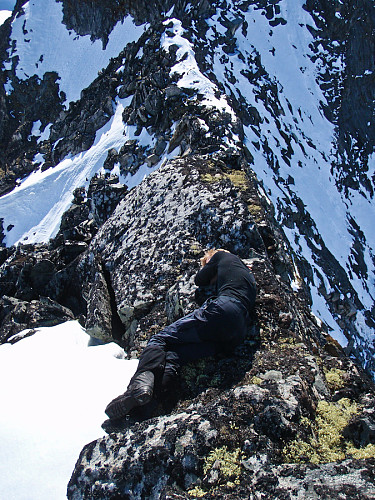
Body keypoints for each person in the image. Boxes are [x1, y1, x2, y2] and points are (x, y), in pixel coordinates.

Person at [105, 249, 256, 420]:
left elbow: (200, 279)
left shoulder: (222, 256)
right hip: (235, 335)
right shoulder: (249, 277)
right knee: (174, 357)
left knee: (160, 339)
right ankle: (144, 409)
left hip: (223, 310)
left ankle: (138, 385)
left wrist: (209, 267)